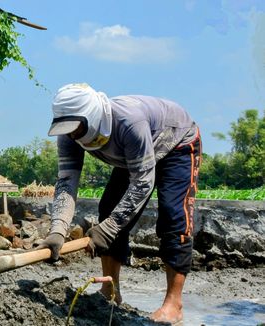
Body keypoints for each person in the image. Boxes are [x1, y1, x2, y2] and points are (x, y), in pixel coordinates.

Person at [39, 83, 201, 324]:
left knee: (173, 215)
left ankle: (173, 304)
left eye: (76, 129)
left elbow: (143, 183)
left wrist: (109, 229)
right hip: (135, 158)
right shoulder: (68, 135)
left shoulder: (128, 122)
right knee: (109, 209)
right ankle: (110, 290)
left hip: (177, 143)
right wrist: (57, 230)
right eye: (68, 130)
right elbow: (66, 181)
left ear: (92, 117)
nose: (73, 135)